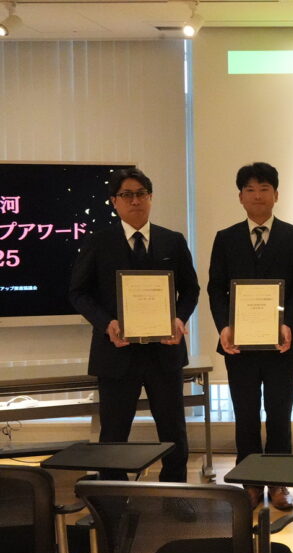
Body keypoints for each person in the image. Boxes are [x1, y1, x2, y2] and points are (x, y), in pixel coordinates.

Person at [68, 168, 199, 497]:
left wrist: (179, 319)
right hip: (116, 352)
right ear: (114, 202)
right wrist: (107, 323)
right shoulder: (98, 242)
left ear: (151, 198)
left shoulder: (172, 240)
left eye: (141, 193)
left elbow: (191, 289)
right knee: (114, 433)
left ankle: (175, 495)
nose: (135, 201)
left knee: (173, 430)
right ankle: (115, 497)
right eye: (126, 195)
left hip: (164, 351)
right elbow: (79, 292)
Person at [207, 162, 293, 511]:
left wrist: (288, 322)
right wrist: (224, 326)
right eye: (250, 189)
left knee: (280, 413)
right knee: (246, 414)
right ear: (240, 197)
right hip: (240, 344)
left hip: (282, 343)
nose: (257, 196)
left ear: (276, 195)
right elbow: (216, 288)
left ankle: (279, 481)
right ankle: (250, 481)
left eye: (264, 189)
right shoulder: (225, 238)